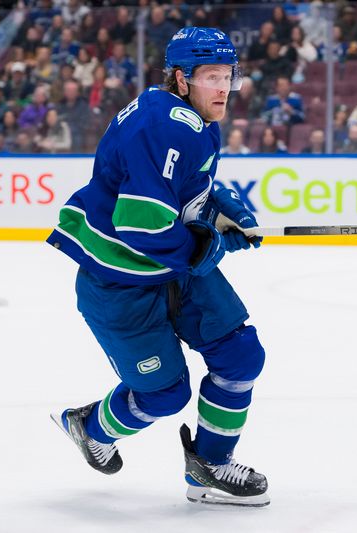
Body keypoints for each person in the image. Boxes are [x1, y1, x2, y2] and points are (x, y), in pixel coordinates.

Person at [47, 27, 270, 507]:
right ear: (181, 77)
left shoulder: (190, 117)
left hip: (169, 267)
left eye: (229, 76)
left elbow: (181, 188)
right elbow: (142, 224)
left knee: (240, 357)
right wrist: (202, 247)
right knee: (163, 396)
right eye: (212, 76)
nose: (224, 87)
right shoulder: (165, 125)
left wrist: (220, 205)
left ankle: (209, 465)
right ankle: (90, 427)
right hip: (120, 282)